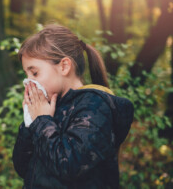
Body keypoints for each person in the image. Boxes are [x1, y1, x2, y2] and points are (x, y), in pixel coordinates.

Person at [12, 23, 134, 189]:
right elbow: (24, 168)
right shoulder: (48, 109)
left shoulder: (94, 106)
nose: (28, 82)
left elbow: (70, 166)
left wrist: (41, 121)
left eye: (34, 73)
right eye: (26, 75)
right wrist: (29, 124)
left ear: (64, 66)